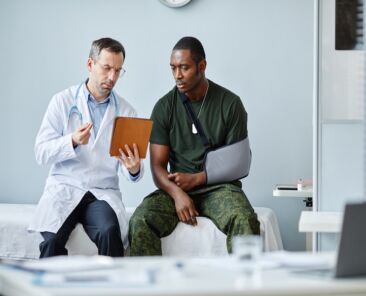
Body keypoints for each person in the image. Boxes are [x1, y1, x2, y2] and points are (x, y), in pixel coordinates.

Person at [129, 36, 259, 256]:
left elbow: (238, 162)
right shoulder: (164, 107)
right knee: (141, 219)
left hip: (219, 188)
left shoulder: (230, 104)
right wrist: (177, 194)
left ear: (202, 66)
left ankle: (243, 287)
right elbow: (157, 167)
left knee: (245, 219)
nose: (177, 76)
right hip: (176, 188)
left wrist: (198, 178)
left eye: (184, 68)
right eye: (173, 68)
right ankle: (151, 288)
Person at [29, 37, 143, 258]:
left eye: (118, 71)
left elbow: (134, 175)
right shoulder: (62, 101)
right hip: (65, 186)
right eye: (107, 68)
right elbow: (41, 152)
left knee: (109, 231)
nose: (112, 77)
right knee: (51, 239)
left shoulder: (127, 113)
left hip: (101, 193)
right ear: (90, 64)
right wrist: (70, 140)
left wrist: (134, 168)